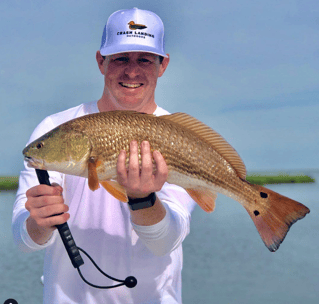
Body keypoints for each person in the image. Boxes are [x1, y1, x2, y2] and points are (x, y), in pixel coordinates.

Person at [12, 8, 196, 304]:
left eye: (145, 60)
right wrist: (39, 221)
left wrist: (142, 198)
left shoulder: (178, 137)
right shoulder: (53, 129)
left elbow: (166, 242)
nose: (132, 71)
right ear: (101, 61)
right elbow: (24, 240)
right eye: (121, 58)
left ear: (163, 66)